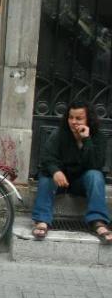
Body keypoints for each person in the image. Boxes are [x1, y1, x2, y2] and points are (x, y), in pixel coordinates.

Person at [31, 101, 110, 243]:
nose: (73, 122)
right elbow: (47, 157)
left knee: (95, 175)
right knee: (46, 177)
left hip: (81, 183)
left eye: (79, 118)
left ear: (88, 119)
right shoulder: (60, 134)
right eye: (70, 117)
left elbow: (96, 164)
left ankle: (98, 221)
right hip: (60, 181)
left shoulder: (98, 137)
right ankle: (42, 219)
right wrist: (55, 171)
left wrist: (86, 140)